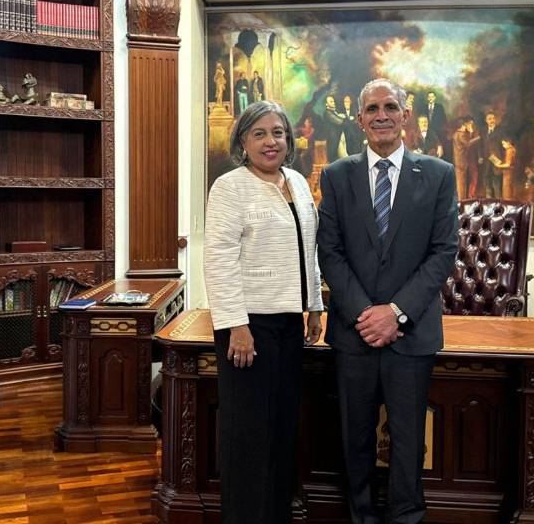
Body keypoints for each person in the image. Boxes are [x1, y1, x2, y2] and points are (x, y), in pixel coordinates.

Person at [317, 78, 458, 524]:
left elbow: (444, 251)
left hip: (411, 332)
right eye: (372, 108)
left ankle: (406, 517)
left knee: (408, 438)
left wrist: (395, 313)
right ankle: (360, 517)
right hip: (354, 334)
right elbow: (330, 252)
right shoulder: (336, 176)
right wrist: (367, 314)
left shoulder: (438, 174)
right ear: (359, 119)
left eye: (390, 106)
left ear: (406, 115)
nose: (381, 115)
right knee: (354, 437)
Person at [204, 100, 324, 524]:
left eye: (278, 132)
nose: (271, 141)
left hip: (290, 324)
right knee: (248, 434)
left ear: (289, 140)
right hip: (248, 327)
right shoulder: (230, 187)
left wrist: (314, 306)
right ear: (242, 141)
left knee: (281, 428)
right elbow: (218, 258)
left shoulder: (297, 182)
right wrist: (236, 325)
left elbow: (308, 250)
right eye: (259, 133)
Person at [452, 116, 481, 200]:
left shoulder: (456, 133)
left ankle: (461, 201)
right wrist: (476, 137)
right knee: (461, 184)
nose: (471, 126)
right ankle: (461, 202)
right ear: (465, 125)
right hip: (461, 162)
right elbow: (467, 143)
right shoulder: (461, 134)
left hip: (459, 161)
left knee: (461, 183)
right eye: (470, 124)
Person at [481, 111, 504, 198]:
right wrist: (480, 157)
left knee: (497, 185)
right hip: (486, 162)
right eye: (489, 119)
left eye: (493, 118)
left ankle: (498, 205)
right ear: (486, 120)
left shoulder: (500, 131)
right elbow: (480, 145)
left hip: (496, 161)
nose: (492, 120)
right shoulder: (483, 131)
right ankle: (488, 205)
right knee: (487, 185)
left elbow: (504, 145)